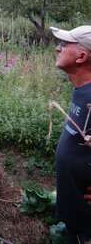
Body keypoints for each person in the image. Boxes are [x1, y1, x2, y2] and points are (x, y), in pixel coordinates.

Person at [50, 25, 91, 244]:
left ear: (81, 56)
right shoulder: (82, 90)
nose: (58, 48)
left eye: (65, 44)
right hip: (75, 216)